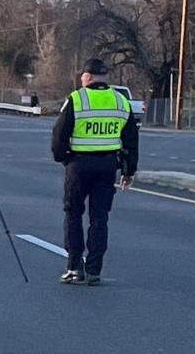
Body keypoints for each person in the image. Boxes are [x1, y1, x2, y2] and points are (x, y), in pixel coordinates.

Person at [52, 58, 139, 286]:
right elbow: (131, 139)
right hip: (108, 166)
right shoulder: (120, 101)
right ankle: (94, 270)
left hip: (79, 165)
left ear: (87, 77)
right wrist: (128, 171)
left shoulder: (77, 99)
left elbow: (60, 134)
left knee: (73, 214)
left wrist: (62, 157)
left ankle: (73, 267)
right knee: (99, 218)